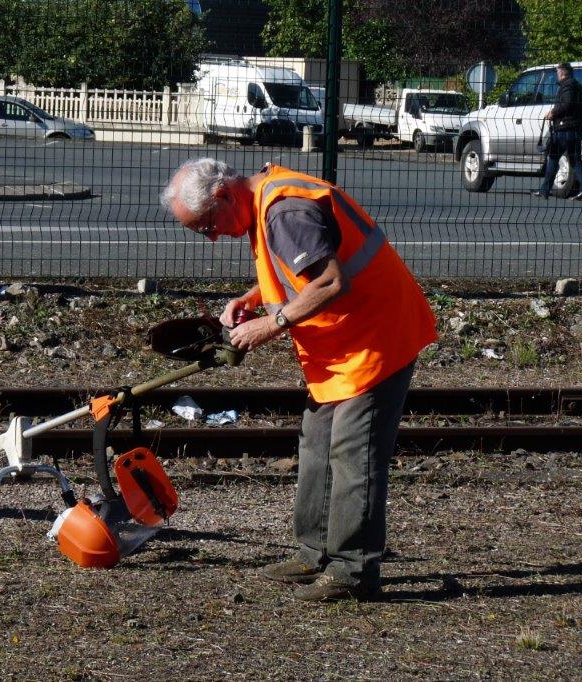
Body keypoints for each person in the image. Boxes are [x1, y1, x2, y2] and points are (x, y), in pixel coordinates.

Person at [161, 159, 438, 602]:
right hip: (344, 344)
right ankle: (314, 553)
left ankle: (353, 571)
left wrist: (268, 326)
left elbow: (329, 283)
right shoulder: (267, 202)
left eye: (207, 226)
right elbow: (300, 270)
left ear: (223, 195)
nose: (213, 238)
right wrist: (253, 297)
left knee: (353, 452)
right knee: (317, 443)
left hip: (374, 339)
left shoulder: (285, 210)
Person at [532, 62, 582, 200]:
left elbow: (567, 103)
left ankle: (544, 190)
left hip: (566, 128)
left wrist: (553, 112)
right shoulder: (576, 85)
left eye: (558, 72)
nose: (557, 75)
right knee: (575, 160)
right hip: (576, 128)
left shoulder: (568, 86)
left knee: (553, 157)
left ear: (563, 73)